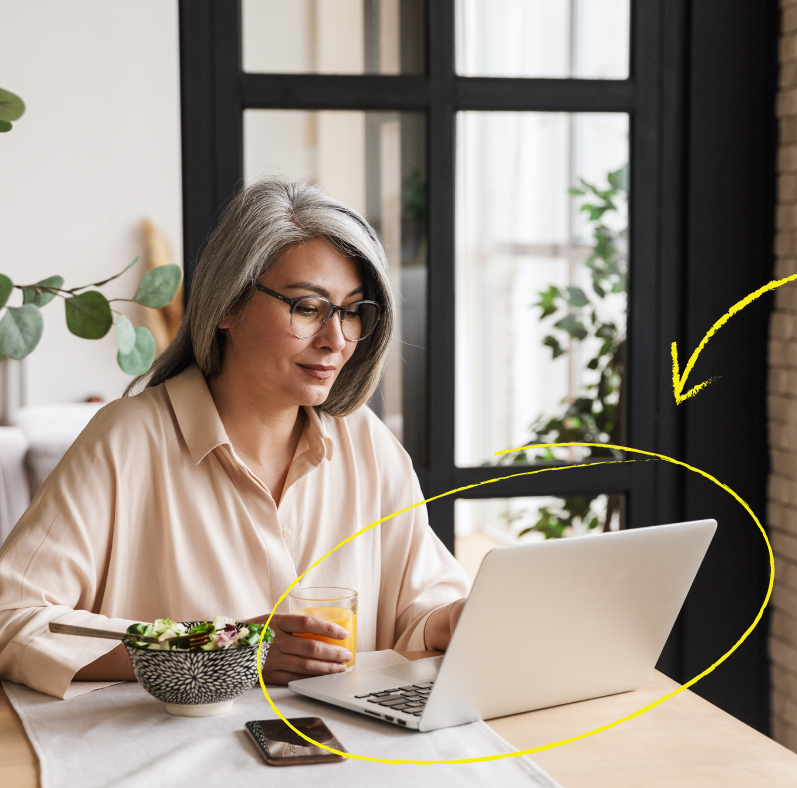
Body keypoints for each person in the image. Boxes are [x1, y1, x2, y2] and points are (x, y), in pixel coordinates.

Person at [0, 176, 469, 698]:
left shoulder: (368, 445)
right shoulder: (126, 440)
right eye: (308, 307)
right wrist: (221, 649)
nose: (337, 339)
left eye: (353, 310)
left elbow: (421, 608)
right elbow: (14, 620)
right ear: (227, 305)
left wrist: (453, 620)